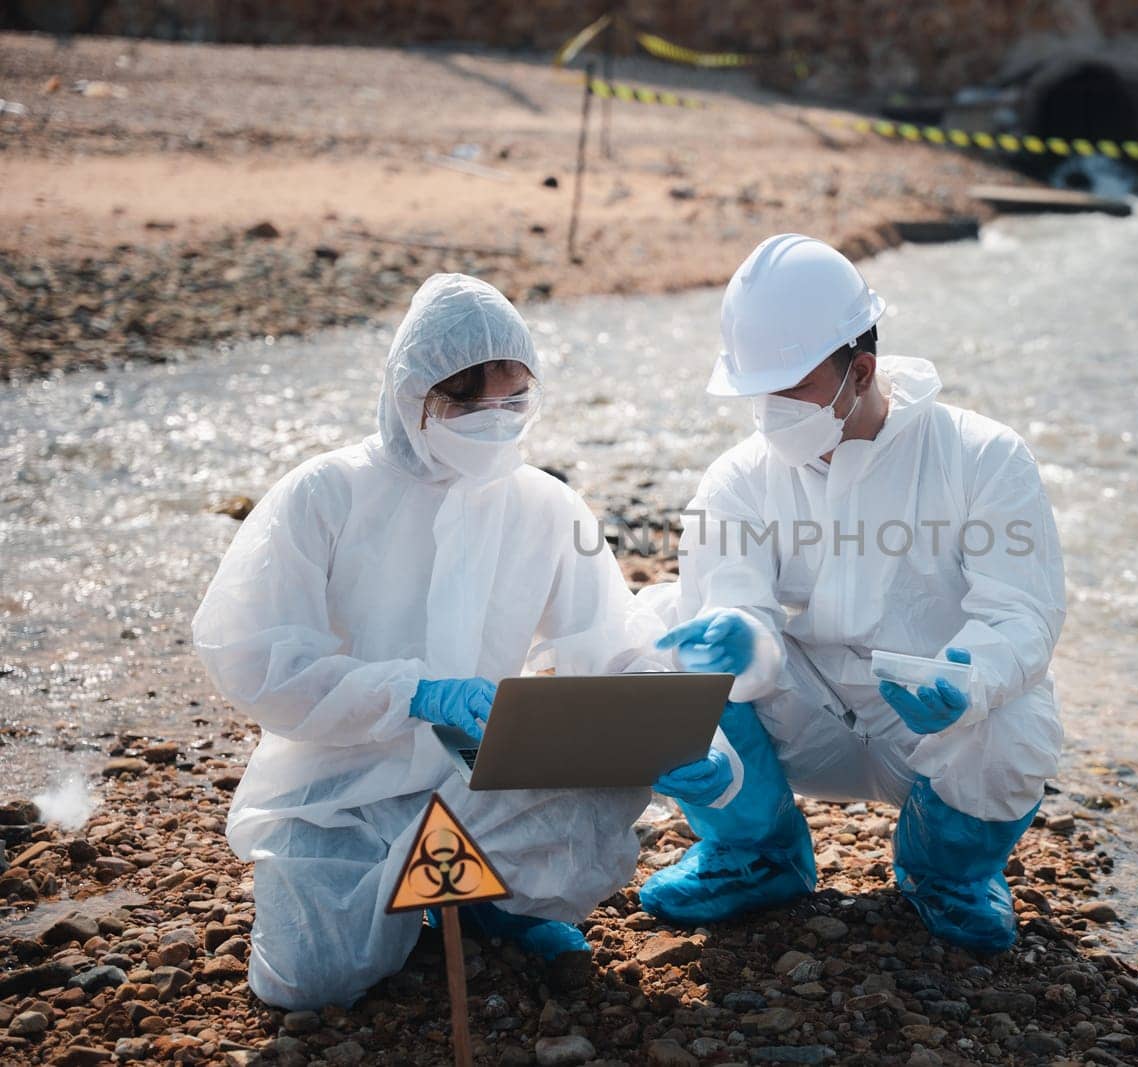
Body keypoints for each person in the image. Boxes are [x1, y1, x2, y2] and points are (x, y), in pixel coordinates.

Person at [192, 274, 733, 1010]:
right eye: (466, 400)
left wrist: (692, 739)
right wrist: (410, 692)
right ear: (410, 392)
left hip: (476, 776)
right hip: (336, 791)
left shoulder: (544, 506)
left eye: (512, 399)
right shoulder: (327, 494)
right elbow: (254, 657)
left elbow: (611, 647)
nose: (493, 418)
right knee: (309, 982)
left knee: (607, 781)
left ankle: (490, 904)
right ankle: (417, 898)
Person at [638, 234, 1067, 953]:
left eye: (790, 390)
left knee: (1018, 720)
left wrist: (970, 678)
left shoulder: (982, 456)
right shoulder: (740, 478)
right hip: (800, 718)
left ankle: (950, 872)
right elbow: (729, 595)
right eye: (757, 392)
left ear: (860, 370)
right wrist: (742, 631)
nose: (769, 411)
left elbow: (1021, 611)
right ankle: (755, 853)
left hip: (928, 726)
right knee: (647, 640)